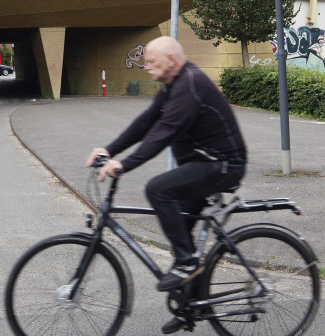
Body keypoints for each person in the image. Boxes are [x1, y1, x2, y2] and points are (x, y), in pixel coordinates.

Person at [85, 36, 247, 295]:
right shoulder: (173, 85)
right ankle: (192, 302)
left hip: (223, 165)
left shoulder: (189, 85)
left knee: (158, 189)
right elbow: (146, 122)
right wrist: (109, 150)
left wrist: (124, 165)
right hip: (203, 164)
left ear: (170, 59)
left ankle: (186, 262)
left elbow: (164, 132)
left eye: (151, 61)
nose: (146, 66)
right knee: (179, 229)